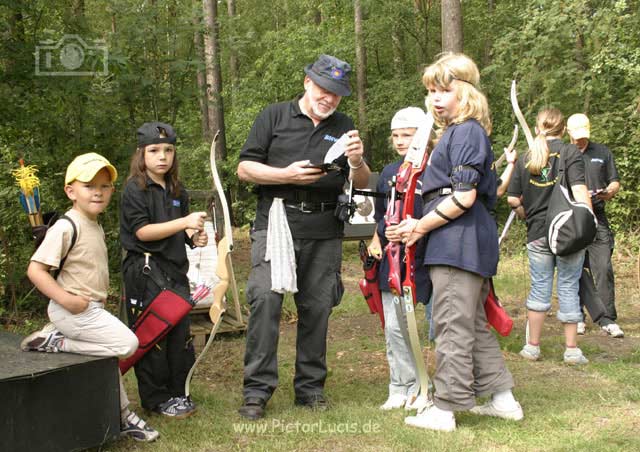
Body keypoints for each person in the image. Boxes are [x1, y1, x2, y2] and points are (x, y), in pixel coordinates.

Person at [389, 52, 522, 432]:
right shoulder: (462, 132)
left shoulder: (465, 132)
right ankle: (502, 399)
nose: (435, 98)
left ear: (465, 93)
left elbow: (463, 197)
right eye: (431, 91)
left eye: (444, 90)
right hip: (464, 240)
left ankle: (445, 408)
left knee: (452, 324)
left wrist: (419, 226)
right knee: (473, 322)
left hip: (458, 240)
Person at [236, 54, 370, 420]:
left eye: (337, 94)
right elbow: (245, 168)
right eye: (324, 89)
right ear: (308, 82)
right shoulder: (274, 115)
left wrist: (357, 162)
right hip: (276, 223)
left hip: (325, 228)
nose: (329, 99)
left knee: (318, 308)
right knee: (265, 300)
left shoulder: (343, 124)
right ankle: (257, 392)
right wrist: (286, 175)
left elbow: (361, 184)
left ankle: (310, 389)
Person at [21, 152, 159, 442]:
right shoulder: (65, 226)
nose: (98, 192)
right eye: (89, 185)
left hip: (89, 309)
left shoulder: (93, 223)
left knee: (107, 353)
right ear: (70, 191)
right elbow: (35, 270)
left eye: (104, 186)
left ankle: (123, 416)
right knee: (126, 344)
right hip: (71, 309)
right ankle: (57, 341)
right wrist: (68, 300)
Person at [120, 122, 208, 419]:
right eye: (154, 150)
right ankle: (156, 399)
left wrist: (194, 236)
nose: (162, 156)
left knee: (179, 334)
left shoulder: (176, 189)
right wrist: (184, 223)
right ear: (141, 154)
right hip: (145, 271)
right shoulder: (134, 189)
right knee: (153, 335)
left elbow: (178, 230)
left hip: (174, 271)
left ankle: (178, 392)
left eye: (168, 150)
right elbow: (143, 232)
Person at [506, 108, 593, 364]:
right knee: (568, 285)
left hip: (537, 232)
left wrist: (526, 214)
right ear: (564, 129)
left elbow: (513, 199)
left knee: (540, 287)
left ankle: (532, 347)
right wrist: (589, 222)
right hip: (568, 232)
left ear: (536, 128)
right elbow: (579, 191)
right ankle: (571, 350)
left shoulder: (526, 156)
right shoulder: (570, 152)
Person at [367, 107, 430, 411]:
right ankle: (400, 385)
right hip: (393, 260)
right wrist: (380, 236)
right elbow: (382, 217)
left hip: (427, 256)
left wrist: (417, 229)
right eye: (396, 136)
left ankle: (427, 385)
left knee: (434, 324)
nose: (401, 141)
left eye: (408, 135)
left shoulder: (435, 169)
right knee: (394, 326)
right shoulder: (389, 173)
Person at [567, 113, 623, 338]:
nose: (581, 141)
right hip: (571, 220)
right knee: (575, 268)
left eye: (584, 136)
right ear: (568, 133)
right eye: (576, 136)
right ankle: (577, 316)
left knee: (603, 266)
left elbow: (615, 181)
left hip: (597, 218)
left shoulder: (602, 152)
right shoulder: (563, 153)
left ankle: (607, 317)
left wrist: (610, 191)